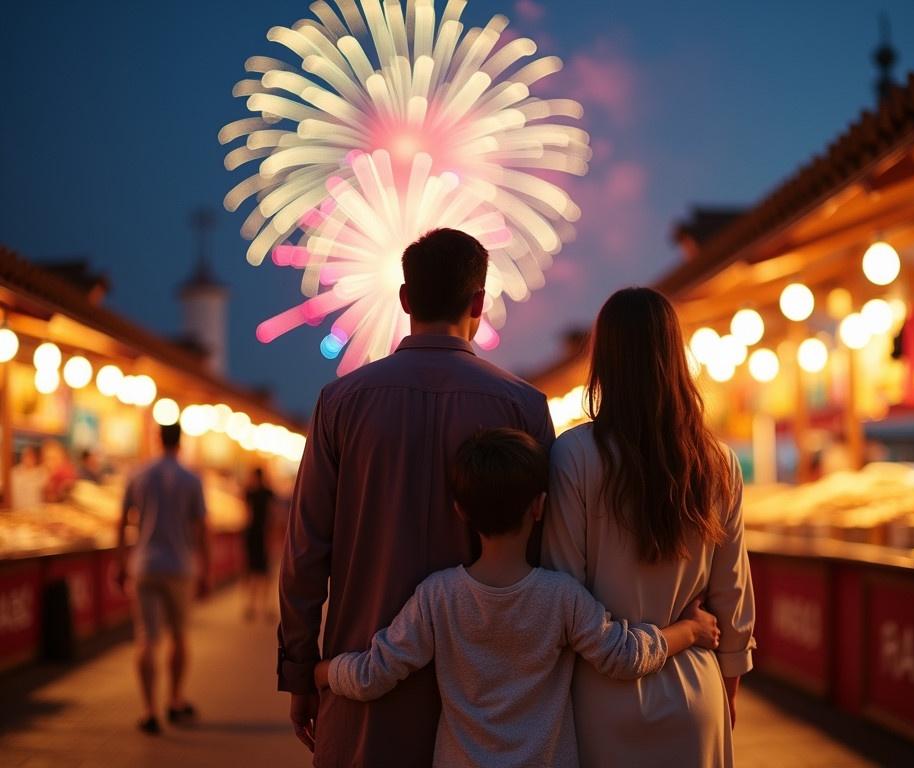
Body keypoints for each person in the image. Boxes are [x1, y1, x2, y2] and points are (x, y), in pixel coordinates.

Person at [279, 228, 555, 767]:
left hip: (363, 686)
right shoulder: (524, 407)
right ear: (479, 302)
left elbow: (305, 552)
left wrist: (299, 672)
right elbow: (549, 551)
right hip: (488, 698)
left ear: (404, 299)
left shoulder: (340, 403)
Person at [315, 429, 721, 768]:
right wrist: (690, 629)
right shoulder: (561, 597)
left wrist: (321, 672)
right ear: (540, 507)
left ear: (460, 510)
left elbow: (373, 674)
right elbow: (624, 656)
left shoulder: (438, 596)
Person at [543, 287, 756, 768]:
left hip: (599, 700)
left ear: (604, 360)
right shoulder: (718, 461)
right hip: (694, 694)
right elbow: (733, 600)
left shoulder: (573, 455)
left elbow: (561, 594)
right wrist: (726, 695)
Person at [116, 422, 211, 735]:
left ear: (158, 439)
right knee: (180, 636)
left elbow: (121, 521)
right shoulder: (191, 478)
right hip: (180, 566)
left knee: (146, 638)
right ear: (181, 441)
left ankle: (148, 710)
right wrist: (206, 570)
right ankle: (175, 699)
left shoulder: (138, 474)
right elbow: (201, 528)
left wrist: (121, 562)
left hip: (144, 564)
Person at [243, 467, 274, 621]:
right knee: (262, 572)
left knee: (255, 571)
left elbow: (247, 514)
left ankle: (253, 606)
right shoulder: (268, 493)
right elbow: (273, 515)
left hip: (255, 534)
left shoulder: (250, 493)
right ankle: (264, 606)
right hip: (261, 534)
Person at [10, 445, 46, 510]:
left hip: (35, 511)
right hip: (17, 510)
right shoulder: (15, 472)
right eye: (25, 455)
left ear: (35, 458)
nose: (28, 458)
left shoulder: (41, 473)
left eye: (31, 456)